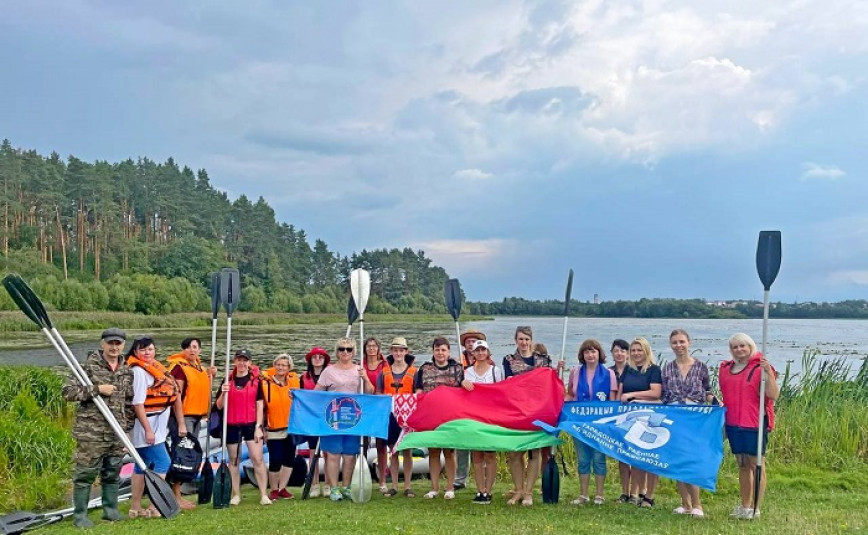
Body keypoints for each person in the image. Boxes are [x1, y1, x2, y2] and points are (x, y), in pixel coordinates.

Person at [61, 328, 133, 528]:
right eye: (110, 343)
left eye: (118, 343)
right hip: (91, 432)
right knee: (85, 474)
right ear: (102, 344)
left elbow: (128, 402)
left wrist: (127, 430)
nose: (114, 347)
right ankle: (80, 516)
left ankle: (110, 511)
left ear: (123, 345)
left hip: (116, 432)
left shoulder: (127, 370)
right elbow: (67, 392)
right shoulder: (86, 366)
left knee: (112, 472)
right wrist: (97, 389)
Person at [720, 333, 779, 520]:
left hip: (754, 422)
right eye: (735, 347)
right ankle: (745, 506)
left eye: (742, 346)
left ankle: (756, 508)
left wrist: (768, 373)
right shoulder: (726, 369)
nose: (739, 350)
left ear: (750, 346)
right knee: (743, 464)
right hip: (733, 423)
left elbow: (773, 395)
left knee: (756, 464)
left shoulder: (760, 367)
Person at [126, 336, 183, 518]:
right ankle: (154, 505)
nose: (147, 353)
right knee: (163, 462)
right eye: (142, 350)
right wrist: (148, 430)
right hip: (147, 427)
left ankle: (135, 507)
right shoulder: (139, 372)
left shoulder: (154, 368)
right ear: (135, 352)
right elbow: (137, 403)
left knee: (140, 465)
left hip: (156, 426)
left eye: (150, 349)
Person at [502, 326, 558, 506]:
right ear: (516, 340)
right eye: (520, 339)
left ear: (531, 340)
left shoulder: (543, 360)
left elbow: (549, 383)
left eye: (527, 339)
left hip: (537, 411)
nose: (524, 342)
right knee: (515, 453)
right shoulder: (509, 360)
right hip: (516, 411)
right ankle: (518, 490)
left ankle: (528, 492)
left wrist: (558, 371)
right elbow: (509, 383)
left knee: (535, 452)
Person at [662, 329, 714, 517]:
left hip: (695, 420)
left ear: (689, 343)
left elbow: (707, 391)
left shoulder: (701, 367)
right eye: (675, 342)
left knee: (692, 459)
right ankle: (685, 504)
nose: (679, 345)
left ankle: (697, 504)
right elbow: (664, 396)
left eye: (682, 341)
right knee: (678, 460)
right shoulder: (667, 368)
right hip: (675, 418)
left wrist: (716, 402)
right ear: (671, 345)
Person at [315, 338, 375, 502]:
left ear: (354, 352)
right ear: (337, 351)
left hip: (352, 418)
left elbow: (370, 392)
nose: (345, 352)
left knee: (350, 455)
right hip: (333, 418)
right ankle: (334, 489)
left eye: (349, 349)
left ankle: (346, 487)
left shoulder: (359, 370)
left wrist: (365, 378)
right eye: (342, 349)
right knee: (333, 454)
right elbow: (316, 393)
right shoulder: (328, 371)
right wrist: (298, 395)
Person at [214, 348, 271, 506]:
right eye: (239, 360)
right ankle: (236, 494)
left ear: (249, 363)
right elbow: (219, 406)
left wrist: (259, 427)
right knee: (234, 460)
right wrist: (223, 392)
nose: (242, 363)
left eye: (245, 360)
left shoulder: (256, 381)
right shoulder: (227, 380)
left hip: (251, 425)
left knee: (257, 458)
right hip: (232, 425)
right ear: (235, 362)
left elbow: (260, 405)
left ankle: (263, 494)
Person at [165, 337, 217, 510]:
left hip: (196, 417)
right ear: (183, 350)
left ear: (199, 350)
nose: (191, 350)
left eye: (195, 347)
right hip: (183, 417)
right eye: (188, 347)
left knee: (189, 455)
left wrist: (212, 375)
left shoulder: (200, 368)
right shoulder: (179, 369)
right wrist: (181, 423)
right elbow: (177, 397)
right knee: (182, 455)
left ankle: (177, 493)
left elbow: (201, 388)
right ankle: (176, 496)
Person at [566, 339, 618, 506]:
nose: (590, 355)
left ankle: (599, 495)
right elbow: (570, 395)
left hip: (600, 424)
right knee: (583, 459)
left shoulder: (609, 374)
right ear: (582, 355)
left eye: (593, 351)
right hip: (579, 423)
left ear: (599, 353)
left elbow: (612, 401)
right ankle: (583, 494)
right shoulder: (575, 372)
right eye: (587, 351)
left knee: (598, 459)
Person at [414, 336, 464, 500]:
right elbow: (418, 390)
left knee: (449, 452)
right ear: (433, 351)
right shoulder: (424, 369)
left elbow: (463, 391)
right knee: (433, 451)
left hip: (450, 416)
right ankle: (434, 488)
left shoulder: (457, 369)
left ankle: (450, 487)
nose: (440, 353)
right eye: (437, 350)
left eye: (443, 350)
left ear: (448, 352)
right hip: (431, 415)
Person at [617, 337, 662, 508]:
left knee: (646, 456)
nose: (636, 353)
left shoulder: (654, 369)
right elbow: (620, 393)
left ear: (646, 351)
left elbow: (656, 393)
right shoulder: (628, 369)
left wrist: (633, 396)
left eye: (639, 350)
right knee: (631, 455)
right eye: (633, 350)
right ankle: (633, 493)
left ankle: (646, 494)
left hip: (648, 418)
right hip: (628, 418)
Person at [461, 340, 503, 504]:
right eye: (477, 350)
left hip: (490, 417)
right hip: (473, 416)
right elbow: (462, 394)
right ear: (473, 353)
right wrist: (462, 383)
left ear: (487, 352)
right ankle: (480, 490)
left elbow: (501, 391)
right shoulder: (467, 372)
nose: (480, 353)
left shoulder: (495, 371)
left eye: (483, 350)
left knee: (490, 454)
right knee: (477, 455)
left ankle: (489, 490)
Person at [375, 336, 418, 498]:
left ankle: (407, 486)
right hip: (390, 416)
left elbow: (418, 392)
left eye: (401, 350)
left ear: (406, 352)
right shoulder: (384, 372)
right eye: (395, 350)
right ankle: (393, 485)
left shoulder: (414, 372)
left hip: (407, 417)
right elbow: (378, 393)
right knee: (392, 451)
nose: (398, 353)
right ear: (391, 352)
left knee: (407, 450)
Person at [261, 354, 301, 500]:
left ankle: (283, 488)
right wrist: (263, 427)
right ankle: (273, 489)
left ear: (289, 368)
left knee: (289, 459)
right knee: (275, 459)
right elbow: (261, 407)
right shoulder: (265, 383)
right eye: (278, 364)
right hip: (273, 428)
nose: (281, 367)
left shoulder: (293, 382)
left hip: (290, 427)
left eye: (284, 365)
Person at [454, 328, 486, 491]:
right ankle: (460, 478)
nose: (471, 344)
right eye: (468, 342)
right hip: (464, 409)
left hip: (483, 409)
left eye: (473, 341)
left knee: (482, 446)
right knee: (462, 445)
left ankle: (483, 479)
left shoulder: (489, 363)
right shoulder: (458, 363)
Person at [300, 346, 330, 497]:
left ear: (325, 360)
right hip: (311, 418)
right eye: (314, 357)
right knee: (313, 452)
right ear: (310, 360)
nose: (317, 359)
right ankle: (315, 484)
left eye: (320, 357)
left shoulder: (330, 374)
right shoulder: (303, 378)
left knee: (328, 452)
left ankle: (328, 484)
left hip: (327, 417)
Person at [362, 337, 389, 492]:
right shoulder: (361, 365)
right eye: (368, 346)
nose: (371, 349)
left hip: (380, 408)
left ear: (378, 348)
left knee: (381, 444)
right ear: (365, 348)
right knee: (363, 444)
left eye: (374, 346)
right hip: (364, 408)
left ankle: (382, 481)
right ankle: (362, 477)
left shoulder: (384, 365)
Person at [609, 338, 632, 503]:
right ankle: (625, 491)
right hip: (616, 417)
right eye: (616, 351)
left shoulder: (635, 370)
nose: (619, 354)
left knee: (636, 454)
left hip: (633, 416)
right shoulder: (607, 372)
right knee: (622, 456)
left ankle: (640, 491)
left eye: (623, 351)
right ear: (612, 353)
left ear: (628, 353)